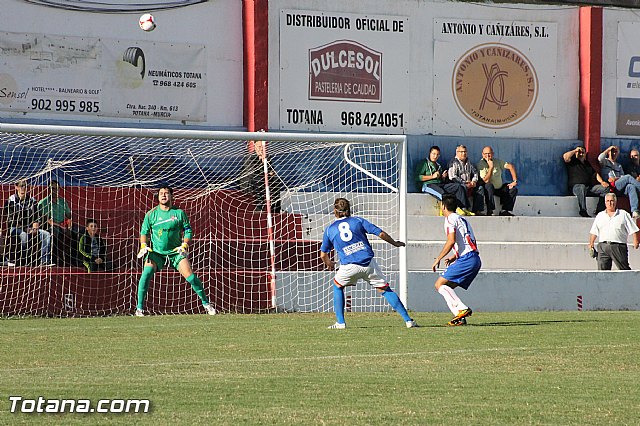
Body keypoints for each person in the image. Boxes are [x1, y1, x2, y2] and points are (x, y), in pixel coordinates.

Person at [319, 198, 417, 329]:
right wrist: (395, 243)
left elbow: (323, 254)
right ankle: (408, 320)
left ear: (334, 211)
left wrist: (329, 263)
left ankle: (340, 322)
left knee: (337, 286)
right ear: (349, 209)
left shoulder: (330, 229)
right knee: (385, 289)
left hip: (348, 266)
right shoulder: (358, 221)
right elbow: (380, 233)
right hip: (368, 263)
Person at [135, 185, 217, 316]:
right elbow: (144, 232)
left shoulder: (179, 213)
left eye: (166, 193)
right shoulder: (151, 214)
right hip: (157, 253)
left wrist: (184, 245)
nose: (163, 195)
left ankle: (206, 304)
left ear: (172, 196)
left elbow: (188, 231)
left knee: (191, 277)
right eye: (161, 193)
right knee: (146, 274)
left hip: (176, 252)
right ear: (157, 196)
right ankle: (139, 309)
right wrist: (143, 245)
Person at [431, 194, 481, 326]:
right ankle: (459, 317)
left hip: (467, 259)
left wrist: (438, 258)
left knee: (439, 285)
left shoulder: (449, 219)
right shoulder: (462, 219)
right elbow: (468, 241)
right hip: (474, 258)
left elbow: (451, 240)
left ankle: (462, 309)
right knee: (445, 287)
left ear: (443, 206)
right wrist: (454, 256)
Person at [3, 179, 52, 265]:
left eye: (25, 186)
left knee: (46, 234)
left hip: (29, 227)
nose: (23, 188)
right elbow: (11, 221)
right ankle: (24, 262)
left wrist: (35, 228)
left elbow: (36, 217)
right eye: (21, 186)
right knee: (24, 236)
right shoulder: (11, 201)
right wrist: (25, 228)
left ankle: (44, 261)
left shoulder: (32, 201)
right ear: (16, 187)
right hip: (16, 228)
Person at [415, 145, 473, 215]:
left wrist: (443, 177)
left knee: (458, 187)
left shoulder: (438, 165)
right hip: (427, 185)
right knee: (443, 193)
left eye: (437, 155)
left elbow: (439, 179)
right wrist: (432, 176)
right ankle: (454, 208)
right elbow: (417, 177)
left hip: (439, 184)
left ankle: (463, 208)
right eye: (433, 154)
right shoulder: (424, 163)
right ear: (430, 153)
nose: (435, 156)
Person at [588, 192, 639, 270]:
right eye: (608, 201)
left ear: (615, 202)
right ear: (605, 203)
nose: (610, 203)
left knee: (624, 270)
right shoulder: (600, 215)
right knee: (602, 272)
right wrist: (591, 243)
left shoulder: (623, 214)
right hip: (603, 246)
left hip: (618, 246)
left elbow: (633, 229)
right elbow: (594, 231)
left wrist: (636, 241)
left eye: (612, 201)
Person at [563, 145, 608, 217]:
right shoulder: (573, 161)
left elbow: (595, 174)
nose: (581, 154)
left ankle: (599, 210)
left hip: (588, 188)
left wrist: (602, 182)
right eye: (579, 152)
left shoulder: (587, 164)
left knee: (605, 188)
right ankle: (583, 210)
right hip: (576, 188)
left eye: (582, 153)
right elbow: (565, 157)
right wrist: (575, 150)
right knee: (581, 187)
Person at [37, 180, 74, 266]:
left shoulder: (63, 202)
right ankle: (55, 260)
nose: (55, 191)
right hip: (50, 226)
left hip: (63, 225)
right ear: (49, 189)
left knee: (78, 232)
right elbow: (45, 220)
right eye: (53, 188)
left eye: (57, 189)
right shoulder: (43, 203)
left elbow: (69, 216)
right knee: (55, 231)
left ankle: (75, 260)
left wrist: (69, 225)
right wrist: (60, 226)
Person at [598, 145, 640, 218]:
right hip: (610, 186)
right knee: (628, 177)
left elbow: (622, 176)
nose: (614, 153)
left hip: (618, 186)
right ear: (609, 152)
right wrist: (608, 149)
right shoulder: (605, 162)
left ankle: (635, 211)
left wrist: (617, 178)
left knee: (631, 187)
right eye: (612, 152)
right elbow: (600, 158)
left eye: (616, 152)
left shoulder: (619, 165)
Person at [241, 140, 283, 213]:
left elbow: (272, 172)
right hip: (248, 182)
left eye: (262, 147)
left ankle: (275, 210)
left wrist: (265, 163)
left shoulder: (267, 158)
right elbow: (252, 173)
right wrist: (262, 164)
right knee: (258, 181)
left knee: (276, 181)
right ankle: (259, 208)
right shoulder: (250, 157)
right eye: (259, 147)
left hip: (262, 179)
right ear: (255, 147)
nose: (261, 149)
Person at [477, 146, 518, 216]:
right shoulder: (481, 164)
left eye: (489, 153)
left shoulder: (497, 161)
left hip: (499, 187)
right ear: (482, 154)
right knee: (489, 186)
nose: (487, 156)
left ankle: (505, 210)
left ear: (492, 154)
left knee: (513, 189)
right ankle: (490, 210)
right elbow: (485, 180)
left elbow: (511, 166)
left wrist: (515, 180)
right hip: (489, 188)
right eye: (485, 154)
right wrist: (491, 167)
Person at [448, 145, 485, 215]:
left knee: (480, 188)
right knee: (462, 187)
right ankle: (464, 208)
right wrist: (465, 183)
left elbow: (475, 173)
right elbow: (452, 177)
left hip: (470, 184)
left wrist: (474, 181)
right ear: (457, 153)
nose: (463, 154)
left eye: (465, 152)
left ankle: (477, 210)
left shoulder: (469, 162)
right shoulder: (453, 163)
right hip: (460, 184)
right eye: (461, 152)